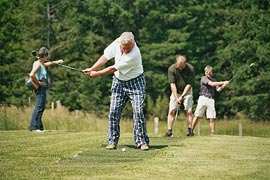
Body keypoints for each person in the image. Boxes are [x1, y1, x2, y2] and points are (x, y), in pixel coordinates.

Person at [83, 32, 150, 150]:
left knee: (138, 111)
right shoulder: (117, 42)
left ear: (133, 44)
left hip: (136, 82)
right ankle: (112, 141)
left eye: (128, 48)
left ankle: (142, 141)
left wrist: (97, 74)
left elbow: (113, 68)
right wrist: (93, 68)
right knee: (114, 111)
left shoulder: (134, 54)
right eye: (123, 48)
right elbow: (106, 57)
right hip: (118, 81)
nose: (125, 51)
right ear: (120, 44)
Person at [29, 47, 62, 132]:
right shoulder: (38, 65)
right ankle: (34, 127)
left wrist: (56, 62)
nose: (47, 58)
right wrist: (39, 83)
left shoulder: (40, 63)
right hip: (40, 86)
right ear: (44, 56)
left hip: (42, 86)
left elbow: (47, 64)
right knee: (39, 107)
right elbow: (31, 75)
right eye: (47, 56)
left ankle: (39, 127)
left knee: (41, 107)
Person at [191, 65, 229, 135]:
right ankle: (191, 131)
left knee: (212, 117)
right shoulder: (203, 78)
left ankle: (212, 133)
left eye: (209, 72)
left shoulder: (214, 80)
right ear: (205, 72)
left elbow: (218, 89)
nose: (208, 73)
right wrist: (222, 82)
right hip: (202, 98)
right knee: (197, 115)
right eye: (206, 72)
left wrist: (223, 86)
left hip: (211, 99)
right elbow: (211, 84)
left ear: (212, 72)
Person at [164, 55, 195, 137]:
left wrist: (182, 96)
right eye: (178, 65)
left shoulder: (190, 69)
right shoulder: (172, 69)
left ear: (185, 63)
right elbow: (172, 84)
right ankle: (169, 131)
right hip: (176, 91)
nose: (180, 67)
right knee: (171, 111)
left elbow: (189, 84)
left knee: (188, 111)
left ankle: (190, 131)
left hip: (187, 91)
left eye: (181, 65)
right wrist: (177, 97)